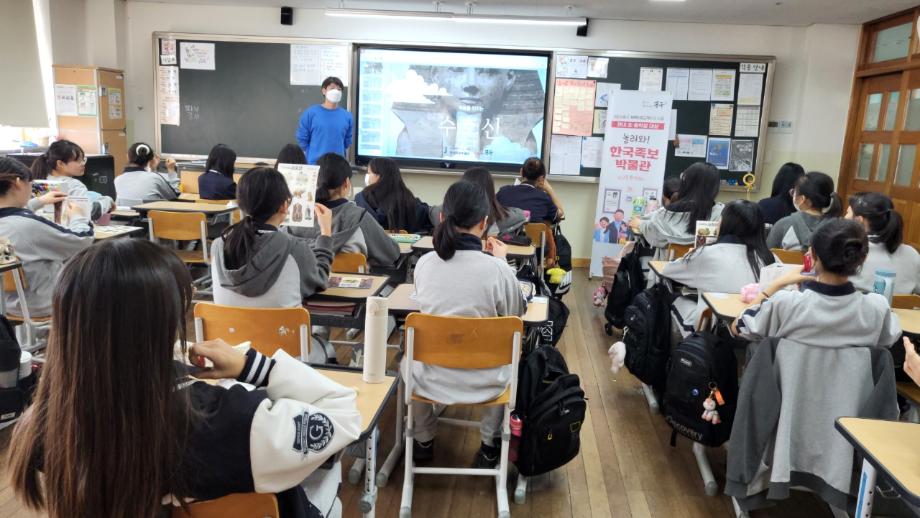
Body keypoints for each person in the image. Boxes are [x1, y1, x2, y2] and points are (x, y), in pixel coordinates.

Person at [7, 239, 361, 518]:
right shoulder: (232, 424)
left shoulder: (41, 427)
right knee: (325, 471)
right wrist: (254, 366)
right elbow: (345, 414)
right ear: (164, 324)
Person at [410, 180, 525, 467]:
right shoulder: (497, 270)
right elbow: (515, 314)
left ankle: (423, 439)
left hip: (429, 380)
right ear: (484, 223)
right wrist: (504, 262)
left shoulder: (424, 264)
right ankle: (488, 444)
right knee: (509, 355)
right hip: (488, 383)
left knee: (411, 354)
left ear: (441, 218)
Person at [732, 218, 900, 350]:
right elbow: (888, 340)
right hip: (854, 394)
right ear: (862, 258)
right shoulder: (877, 308)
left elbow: (737, 327)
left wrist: (777, 284)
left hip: (788, 393)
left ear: (812, 255)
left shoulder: (785, 304)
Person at [211, 167, 334, 312]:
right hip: (282, 333)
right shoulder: (294, 249)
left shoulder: (218, 245)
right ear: (284, 206)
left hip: (228, 333)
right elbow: (320, 280)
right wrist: (325, 233)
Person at [0, 157, 93, 319]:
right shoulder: (27, 226)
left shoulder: (11, 223)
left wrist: (39, 202)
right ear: (17, 183)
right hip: (40, 303)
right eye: (30, 183)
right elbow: (81, 240)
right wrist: (79, 216)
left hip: (5, 303)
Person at [662, 200, 776, 330]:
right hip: (753, 326)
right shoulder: (769, 258)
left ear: (724, 223)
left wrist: (691, 255)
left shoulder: (707, 253)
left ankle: (676, 349)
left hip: (711, 326)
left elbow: (668, 270)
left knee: (672, 299)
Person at [286, 153, 399, 267]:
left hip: (300, 283)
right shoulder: (358, 216)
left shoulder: (294, 215)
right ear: (346, 184)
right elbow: (391, 254)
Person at [633, 162, 723, 258]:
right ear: (715, 188)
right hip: (703, 270)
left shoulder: (664, 214)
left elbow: (654, 237)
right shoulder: (721, 214)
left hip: (666, 270)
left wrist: (640, 224)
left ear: (685, 184)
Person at [846, 192, 920, 294]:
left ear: (860, 220)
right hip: (899, 310)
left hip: (861, 309)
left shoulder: (852, 251)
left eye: (848, 213)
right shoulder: (912, 254)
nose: (844, 218)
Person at [30, 139, 114, 221]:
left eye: (83, 160)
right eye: (78, 160)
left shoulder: (39, 183)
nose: (82, 164)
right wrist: (108, 201)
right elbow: (88, 213)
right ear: (60, 164)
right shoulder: (73, 185)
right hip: (70, 232)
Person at [429, 167, 526, 236]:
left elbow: (432, 211)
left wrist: (452, 202)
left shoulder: (443, 214)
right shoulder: (502, 218)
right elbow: (521, 215)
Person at [766, 171, 842, 251]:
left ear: (802, 199)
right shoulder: (838, 229)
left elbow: (766, 258)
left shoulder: (783, 225)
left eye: (793, 192)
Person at [355, 157, 432, 233]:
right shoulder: (409, 198)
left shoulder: (363, 198)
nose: (367, 176)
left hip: (373, 244)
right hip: (407, 245)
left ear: (379, 175)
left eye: (369, 172)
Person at [296, 76, 353, 165]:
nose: (336, 91)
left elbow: (347, 142)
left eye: (339, 89)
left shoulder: (347, 116)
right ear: (324, 91)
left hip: (338, 165)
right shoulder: (311, 113)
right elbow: (302, 139)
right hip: (315, 165)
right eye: (332, 88)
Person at [496, 157, 564, 223]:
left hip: (504, 234)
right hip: (533, 235)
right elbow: (560, 214)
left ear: (521, 172)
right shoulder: (544, 198)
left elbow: (489, 213)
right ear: (541, 179)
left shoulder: (503, 192)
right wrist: (549, 189)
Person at [114, 142, 179, 204]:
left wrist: (153, 170)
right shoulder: (155, 178)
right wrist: (171, 170)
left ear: (128, 156)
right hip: (152, 215)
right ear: (151, 160)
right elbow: (175, 197)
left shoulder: (117, 180)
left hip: (126, 215)